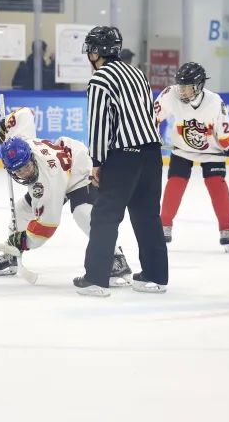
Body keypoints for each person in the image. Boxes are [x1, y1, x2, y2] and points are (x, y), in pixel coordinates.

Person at [0, 108, 131, 285]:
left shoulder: (45, 182)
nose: (25, 173)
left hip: (78, 170)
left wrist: (23, 241)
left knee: (83, 213)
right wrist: (6, 125)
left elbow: (46, 226)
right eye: (18, 170)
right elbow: (25, 113)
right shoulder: (22, 142)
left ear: (31, 157)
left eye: (26, 166)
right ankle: (12, 254)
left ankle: (116, 257)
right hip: (59, 170)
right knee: (21, 210)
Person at [76, 26, 167, 296]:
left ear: (96, 52)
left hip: (124, 156)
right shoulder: (137, 73)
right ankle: (155, 276)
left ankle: (95, 279)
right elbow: (148, 115)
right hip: (152, 154)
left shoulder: (100, 79)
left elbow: (99, 125)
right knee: (147, 215)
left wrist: (97, 161)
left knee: (104, 216)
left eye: (91, 50)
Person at [156, 62, 229, 249]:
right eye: (180, 86)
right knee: (175, 182)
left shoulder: (214, 102)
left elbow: (224, 133)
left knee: (216, 184)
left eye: (187, 87)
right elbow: (151, 117)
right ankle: (164, 225)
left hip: (211, 151)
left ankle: (226, 228)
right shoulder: (170, 94)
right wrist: (150, 138)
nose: (181, 90)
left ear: (198, 86)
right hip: (182, 148)